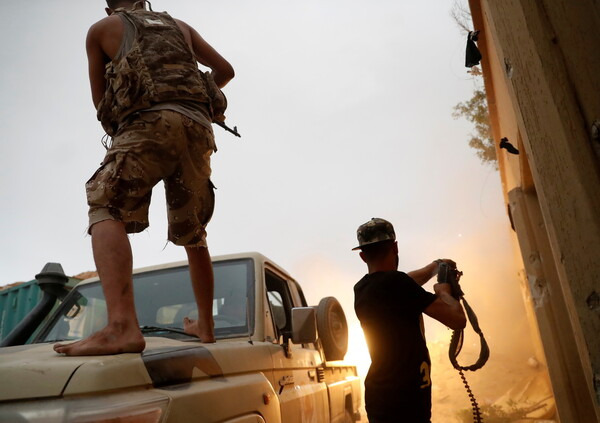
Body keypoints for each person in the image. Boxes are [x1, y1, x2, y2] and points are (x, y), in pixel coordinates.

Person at [54, 0, 234, 356]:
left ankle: (122, 326)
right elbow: (225, 70)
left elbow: (100, 104)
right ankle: (207, 328)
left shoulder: (102, 30)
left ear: (108, 6)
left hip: (149, 122)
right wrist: (201, 92)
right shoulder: (179, 25)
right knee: (193, 231)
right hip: (198, 128)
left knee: (105, 203)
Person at [353, 218, 466, 423]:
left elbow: (404, 282)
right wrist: (443, 290)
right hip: (406, 403)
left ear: (362, 256)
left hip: (383, 399)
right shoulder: (398, 285)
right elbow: (457, 319)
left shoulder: (363, 289)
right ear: (395, 247)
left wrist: (434, 267)